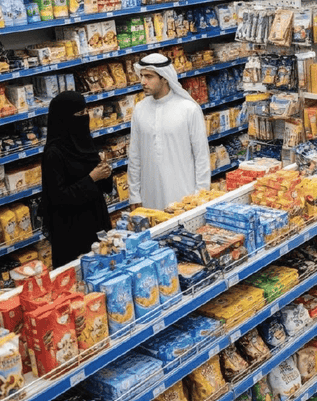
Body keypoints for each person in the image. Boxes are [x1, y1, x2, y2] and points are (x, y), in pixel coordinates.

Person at [128, 53, 210, 211]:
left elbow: (201, 158)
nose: (143, 82)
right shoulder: (139, 109)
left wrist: (200, 198)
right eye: (141, 76)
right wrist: (134, 195)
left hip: (184, 198)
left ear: (164, 77)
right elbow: (135, 156)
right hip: (149, 198)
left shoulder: (189, 109)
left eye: (149, 76)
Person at [41, 91, 113, 267]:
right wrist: (91, 178)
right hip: (71, 231)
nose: (84, 118)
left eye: (85, 112)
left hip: (98, 219)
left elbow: (102, 186)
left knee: (108, 264)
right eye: (79, 114)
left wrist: (105, 174)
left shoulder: (84, 142)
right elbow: (58, 197)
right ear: (64, 119)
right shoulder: (54, 154)